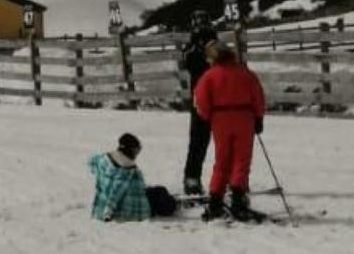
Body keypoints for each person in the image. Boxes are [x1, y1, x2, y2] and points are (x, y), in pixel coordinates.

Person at [194, 41, 267, 222]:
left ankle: (215, 202)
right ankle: (238, 201)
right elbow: (258, 96)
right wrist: (258, 118)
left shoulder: (209, 76)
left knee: (222, 160)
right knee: (242, 160)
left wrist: (206, 116)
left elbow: (200, 101)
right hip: (245, 117)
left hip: (220, 119)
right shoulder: (246, 73)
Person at [88, 133, 177, 222]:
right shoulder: (126, 167)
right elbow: (116, 191)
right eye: (137, 150)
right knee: (162, 195)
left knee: (158, 191)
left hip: (102, 205)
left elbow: (92, 161)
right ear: (131, 149)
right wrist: (108, 212)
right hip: (131, 209)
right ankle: (174, 203)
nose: (137, 154)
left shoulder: (104, 159)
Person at [180, 12, 219, 195]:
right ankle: (193, 179)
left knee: (200, 140)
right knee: (202, 140)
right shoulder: (193, 46)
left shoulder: (196, 45)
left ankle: (192, 179)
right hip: (208, 97)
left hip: (205, 97)